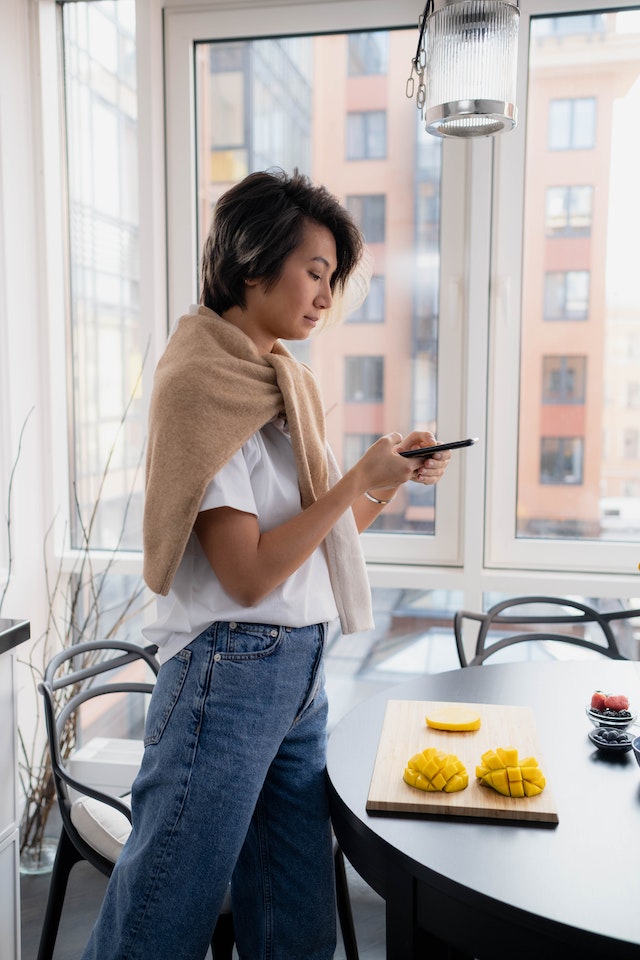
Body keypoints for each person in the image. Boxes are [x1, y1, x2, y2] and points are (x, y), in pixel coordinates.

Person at [81, 168, 450, 960]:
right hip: (229, 675)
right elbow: (247, 573)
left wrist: (379, 487)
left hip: (295, 673)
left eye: (333, 278)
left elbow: (310, 543)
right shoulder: (201, 387)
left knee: (296, 923)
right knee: (160, 920)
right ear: (253, 262)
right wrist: (355, 476)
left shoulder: (281, 385)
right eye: (314, 271)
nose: (325, 294)